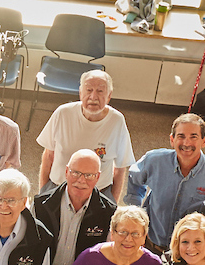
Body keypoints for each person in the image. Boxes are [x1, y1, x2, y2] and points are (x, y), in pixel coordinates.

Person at [125, 113, 205, 252]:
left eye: (193, 137)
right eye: (181, 136)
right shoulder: (153, 161)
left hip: (191, 253)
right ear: (172, 139)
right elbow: (134, 179)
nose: (186, 143)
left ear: (204, 140)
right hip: (151, 245)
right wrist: (136, 213)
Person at [36, 70, 135, 202]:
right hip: (58, 187)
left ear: (109, 95)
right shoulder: (63, 113)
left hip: (98, 192)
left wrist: (112, 204)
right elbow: (48, 156)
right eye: (88, 90)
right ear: (80, 92)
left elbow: (120, 168)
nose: (93, 97)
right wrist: (43, 192)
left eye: (100, 91)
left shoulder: (117, 120)